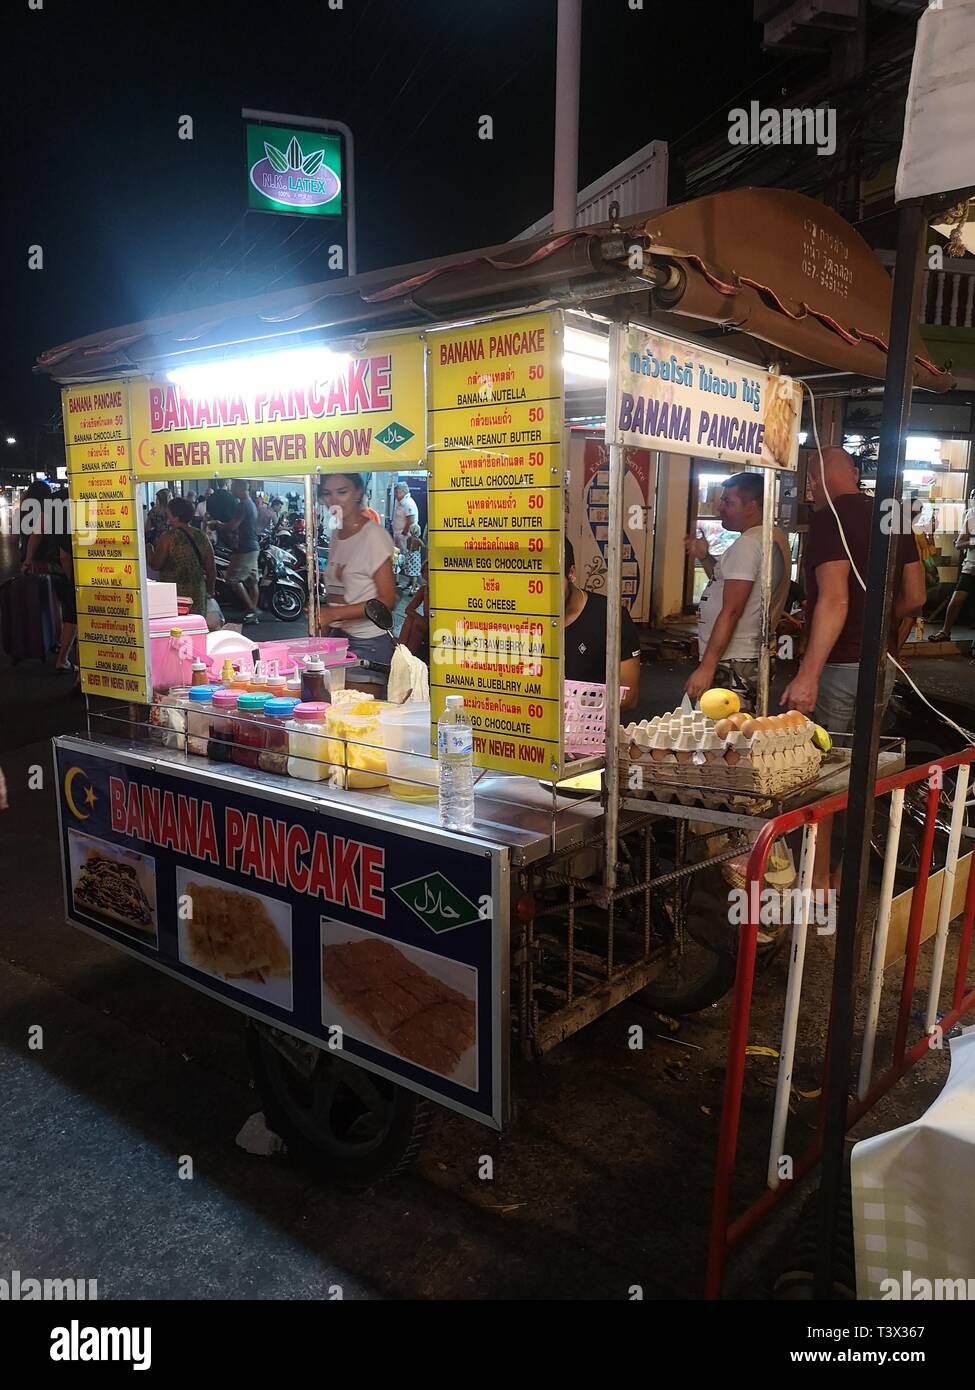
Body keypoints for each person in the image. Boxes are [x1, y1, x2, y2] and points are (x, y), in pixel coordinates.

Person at [780, 448, 925, 891]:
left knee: (819, 777)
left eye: (811, 476)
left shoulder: (829, 520)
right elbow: (916, 597)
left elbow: (835, 600)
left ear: (824, 478)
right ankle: (847, 876)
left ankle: (818, 881)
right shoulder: (893, 511)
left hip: (839, 666)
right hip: (880, 666)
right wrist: (880, 629)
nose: (809, 485)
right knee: (860, 773)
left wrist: (808, 673)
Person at [684, 472, 791, 709]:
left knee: (727, 734)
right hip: (746, 655)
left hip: (734, 658)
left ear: (752, 506)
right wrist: (704, 556)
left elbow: (732, 609)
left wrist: (707, 666)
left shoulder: (748, 545)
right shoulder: (770, 536)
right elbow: (726, 583)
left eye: (728, 502)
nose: (720, 507)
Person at [320, 472, 396, 692]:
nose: (333, 500)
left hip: (368, 642)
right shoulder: (337, 532)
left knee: (356, 717)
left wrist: (333, 614)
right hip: (337, 640)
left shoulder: (374, 537)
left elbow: (387, 600)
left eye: (342, 492)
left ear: (358, 492)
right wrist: (324, 625)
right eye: (327, 493)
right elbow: (339, 591)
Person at [564, 539, 641, 711]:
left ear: (572, 573)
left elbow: (629, 696)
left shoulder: (611, 617)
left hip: (590, 729)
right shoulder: (526, 618)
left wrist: (570, 705)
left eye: (553, 583)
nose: (545, 595)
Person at [21, 483, 77, 673]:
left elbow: (36, 534)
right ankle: (63, 657)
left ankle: (59, 643)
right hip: (70, 564)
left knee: (60, 605)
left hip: (52, 564)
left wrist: (28, 559)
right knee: (73, 612)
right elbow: (65, 553)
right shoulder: (80, 498)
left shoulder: (53, 500)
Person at [148, 496, 216, 619]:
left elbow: (156, 564)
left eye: (168, 513)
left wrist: (149, 551)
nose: (166, 515)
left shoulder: (167, 537)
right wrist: (210, 591)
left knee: (176, 629)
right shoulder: (201, 536)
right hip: (197, 594)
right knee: (195, 629)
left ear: (176, 516)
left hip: (174, 596)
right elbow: (211, 569)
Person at [927, 488, 975, 642]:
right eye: (972, 495)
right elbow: (959, 543)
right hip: (970, 566)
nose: (972, 498)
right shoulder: (971, 514)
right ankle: (945, 631)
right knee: (957, 599)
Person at [213, 478, 260, 623]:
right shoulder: (251, 504)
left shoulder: (242, 505)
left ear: (240, 488)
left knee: (233, 580)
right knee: (252, 581)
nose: (231, 489)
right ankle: (252, 613)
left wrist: (218, 524)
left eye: (233, 487)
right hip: (253, 547)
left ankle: (252, 610)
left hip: (244, 548)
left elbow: (233, 526)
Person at [391, 481, 419, 554]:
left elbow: (411, 521)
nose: (395, 494)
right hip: (399, 536)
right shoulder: (400, 502)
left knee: (403, 556)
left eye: (396, 492)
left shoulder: (408, 503)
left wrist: (403, 534)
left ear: (403, 491)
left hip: (405, 538)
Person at [404, 522, 424, 595]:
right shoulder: (418, 540)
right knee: (415, 574)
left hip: (409, 555)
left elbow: (407, 547)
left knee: (410, 572)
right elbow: (423, 546)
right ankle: (412, 589)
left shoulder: (408, 539)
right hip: (416, 557)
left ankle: (411, 584)